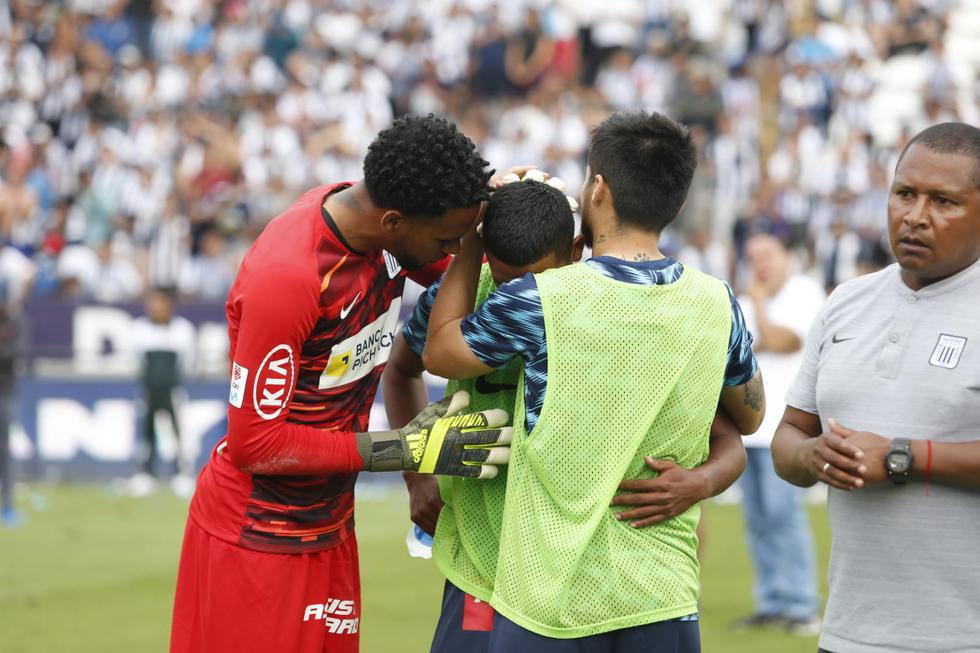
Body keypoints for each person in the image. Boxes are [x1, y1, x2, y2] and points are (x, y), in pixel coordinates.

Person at [169, 115, 512, 653]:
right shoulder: (290, 277)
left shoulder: (385, 230)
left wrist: (519, 204)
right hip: (257, 539)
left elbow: (478, 266)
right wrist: (407, 451)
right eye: (447, 237)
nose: (453, 249)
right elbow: (256, 443)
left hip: (329, 530)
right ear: (396, 222)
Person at [424, 111, 765, 651]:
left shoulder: (541, 298)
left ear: (597, 189)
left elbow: (440, 351)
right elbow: (748, 416)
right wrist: (702, 478)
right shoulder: (716, 302)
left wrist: (474, 236)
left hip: (547, 595)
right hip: (660, 592)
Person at [771, 122, 980, 653]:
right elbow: (789, 437)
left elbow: (896, 456)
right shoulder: (847, 301)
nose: (915, 216)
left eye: (944, 202)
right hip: (848, 634)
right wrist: (814, 456)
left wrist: (902, 457)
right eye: (904, 193)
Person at [733, 233, 825, 635]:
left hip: (784, 429)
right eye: (753, 257)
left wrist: (756, 301)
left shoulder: (805, 292)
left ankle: (803, 604)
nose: (760, 265)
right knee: (756, 520)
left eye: (767, 255)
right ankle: (771, 601)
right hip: (750, 430)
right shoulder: (746, 296)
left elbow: (782, 342)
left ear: (787, 255)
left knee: (783, 515)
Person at [129, 286, 196, 497]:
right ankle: (146, 474)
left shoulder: (183, 330)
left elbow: (189, 362)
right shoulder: (139, 329)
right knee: (147, 431)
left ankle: (180, 473)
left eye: (161, 303)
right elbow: (135, 361)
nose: (156, 308)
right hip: (148, 390)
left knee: (177, 431)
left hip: (173, 389)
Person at [0, 241, 35, 527]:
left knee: (5, 450)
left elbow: (14, 353)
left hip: (5, 393)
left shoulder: (17, 322)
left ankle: (8, 504)